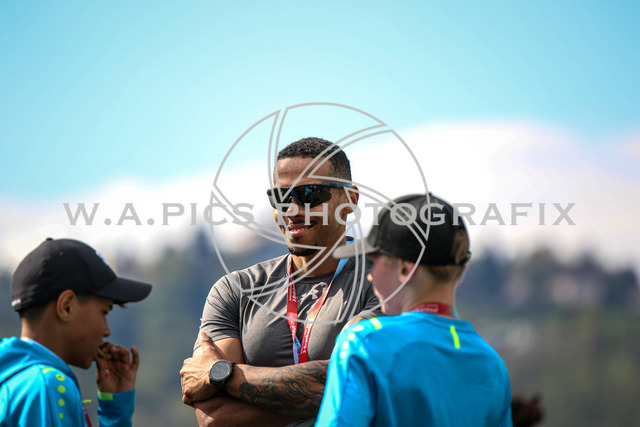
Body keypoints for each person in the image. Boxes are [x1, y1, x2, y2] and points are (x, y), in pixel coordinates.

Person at [180, 137, 380, 426]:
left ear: (349, 200)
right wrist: (324, 394)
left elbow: (362, 384)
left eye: (309, 194)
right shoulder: (235, 290)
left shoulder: (385, 283)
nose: (292, 210)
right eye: (281, 197)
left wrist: (223, 374)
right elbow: (214, 418)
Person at [315, 193, 513, 426]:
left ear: (405, 269)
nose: (369, 275)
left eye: (374, 261)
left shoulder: (364, 344)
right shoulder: (492, 365)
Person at [0, 238, 152, 427]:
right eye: (104, 312)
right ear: (66, 307)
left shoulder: (13, 379)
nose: (107, 330)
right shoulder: (47, 385)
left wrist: (115, 411)